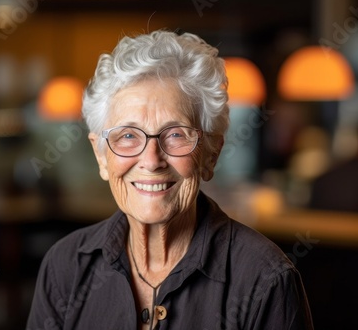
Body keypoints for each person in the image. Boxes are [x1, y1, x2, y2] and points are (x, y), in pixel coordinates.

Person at [26, 30, 314, 330]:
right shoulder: (65, 266)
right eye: (127, 135)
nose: (151, 160)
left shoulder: (264, 279)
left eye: (175, 134)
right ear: (101, 157)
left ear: (211, 154)